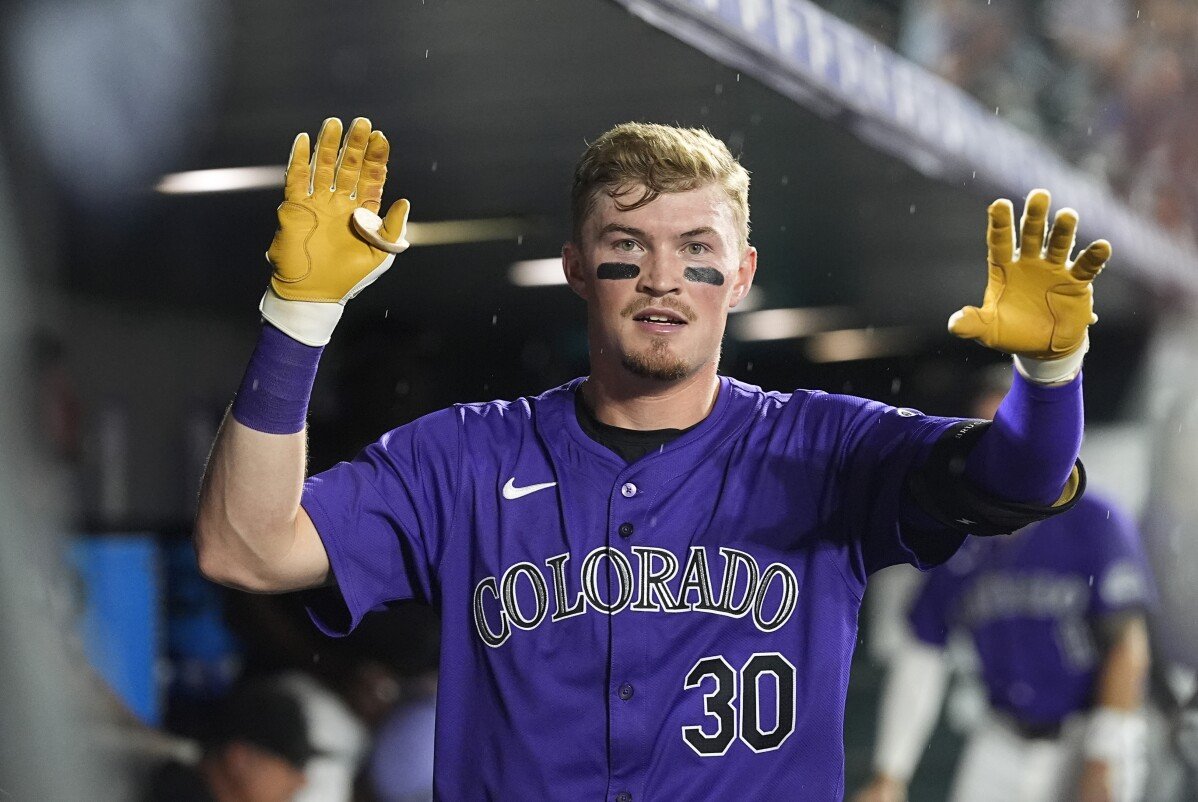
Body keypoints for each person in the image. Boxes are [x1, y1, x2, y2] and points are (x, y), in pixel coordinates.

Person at [195, 116, 1110, 799]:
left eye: (696, 249)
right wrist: (298, 319)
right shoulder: (465, 455)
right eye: (627, 247)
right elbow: (245, 547)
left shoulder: (827, 444)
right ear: (577, 269)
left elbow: (1015, 481)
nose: (664, 277)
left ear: (742, 275)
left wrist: (1051, 373)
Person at [853, 370, 1154, 802]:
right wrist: (890, 774)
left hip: (1088, 731)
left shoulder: (1095, 520)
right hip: (1002, 735)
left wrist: (1104, 755)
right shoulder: (960, 532)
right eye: (990, 435)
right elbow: (924, 654)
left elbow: (1128, 645)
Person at [141, 682, 317, 802]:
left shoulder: (172, 778)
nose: (301, 781)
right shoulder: (169, 791)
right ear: (239, 757)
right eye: (294, 762)